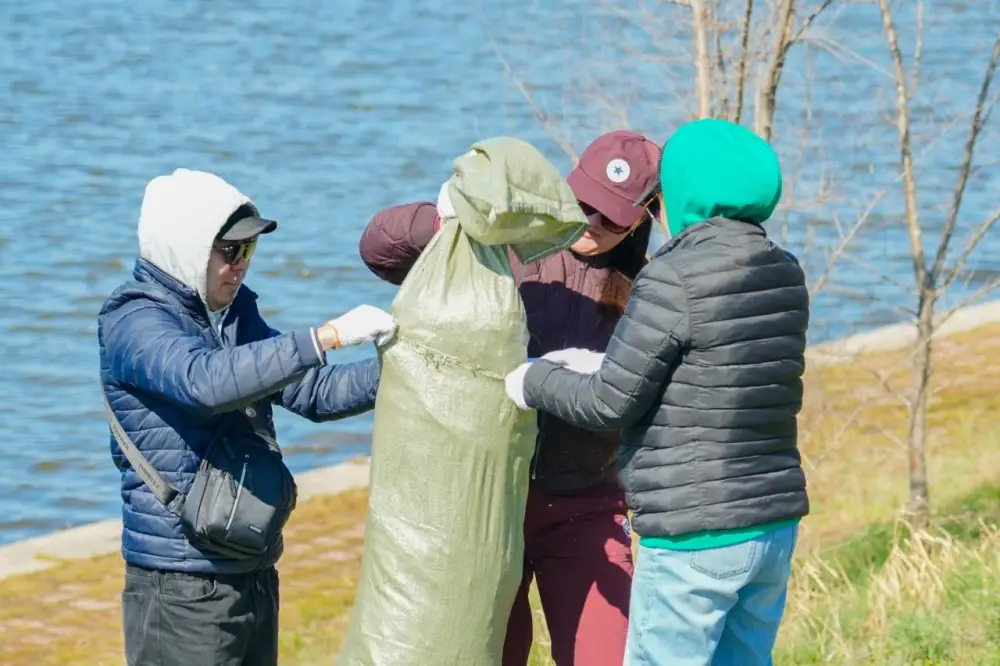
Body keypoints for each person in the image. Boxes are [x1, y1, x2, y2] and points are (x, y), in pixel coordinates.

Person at [505, 118, 811, 666]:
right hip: (772, 523)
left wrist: (533, 378)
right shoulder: (785, 271)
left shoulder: (672, 277)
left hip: (692, 528)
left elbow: (610, 401)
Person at [358, 131, 662, 666]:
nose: (590, 222)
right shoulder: (503, 247)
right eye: (583, 202)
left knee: (606, 656)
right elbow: (378, 249)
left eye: (611, 217)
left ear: (640, 221)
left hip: (586, 504)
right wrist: (448, 215)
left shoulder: (650, 290)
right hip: (489, 503)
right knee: (492, 653)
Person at [97, 168, 397, 666]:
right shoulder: (134, 320)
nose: (240, 266)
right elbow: (205, 381)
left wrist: (402, 369)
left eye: (248, 252)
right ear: (186, 247)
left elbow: (315, 392)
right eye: (230, 250)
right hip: (179, 584)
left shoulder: (233, 315)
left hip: (251, 568)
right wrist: (322, 338)